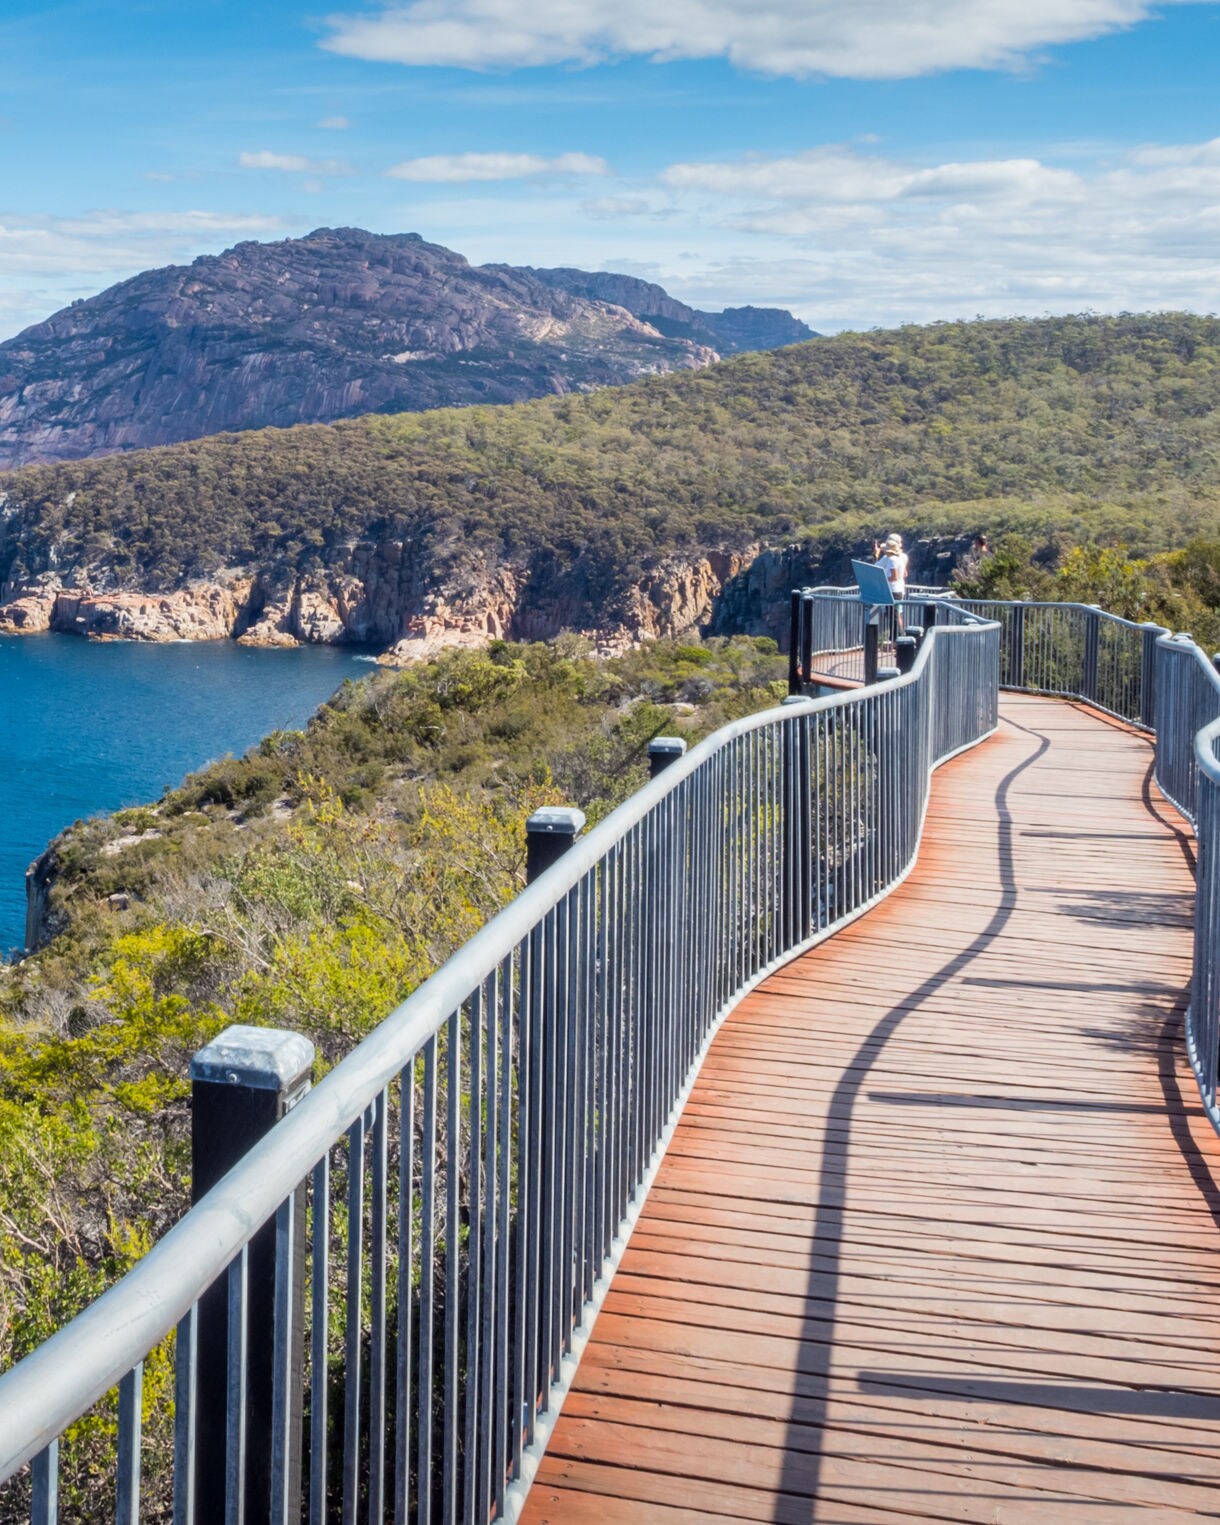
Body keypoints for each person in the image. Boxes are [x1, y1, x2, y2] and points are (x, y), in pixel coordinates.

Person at [873, 533, 909, 597]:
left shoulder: (888, 558)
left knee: (890, 607)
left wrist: (876, 556)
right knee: (897, 606)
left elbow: (875, 568)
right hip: (900, 589)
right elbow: (905, 574)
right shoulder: (904, 556)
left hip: (891, 590)